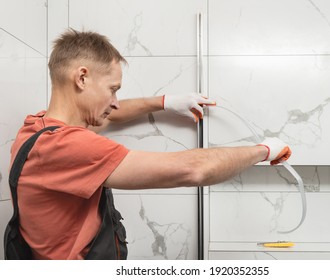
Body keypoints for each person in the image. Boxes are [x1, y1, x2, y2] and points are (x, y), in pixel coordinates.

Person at [7, 29, 291, 260]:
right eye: (113, 89)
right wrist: (264, 150)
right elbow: (193, 170)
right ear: (82, 77)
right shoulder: (67, 146)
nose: (115, 102)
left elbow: (106, 117)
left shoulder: (38, 127)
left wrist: (165, 102)